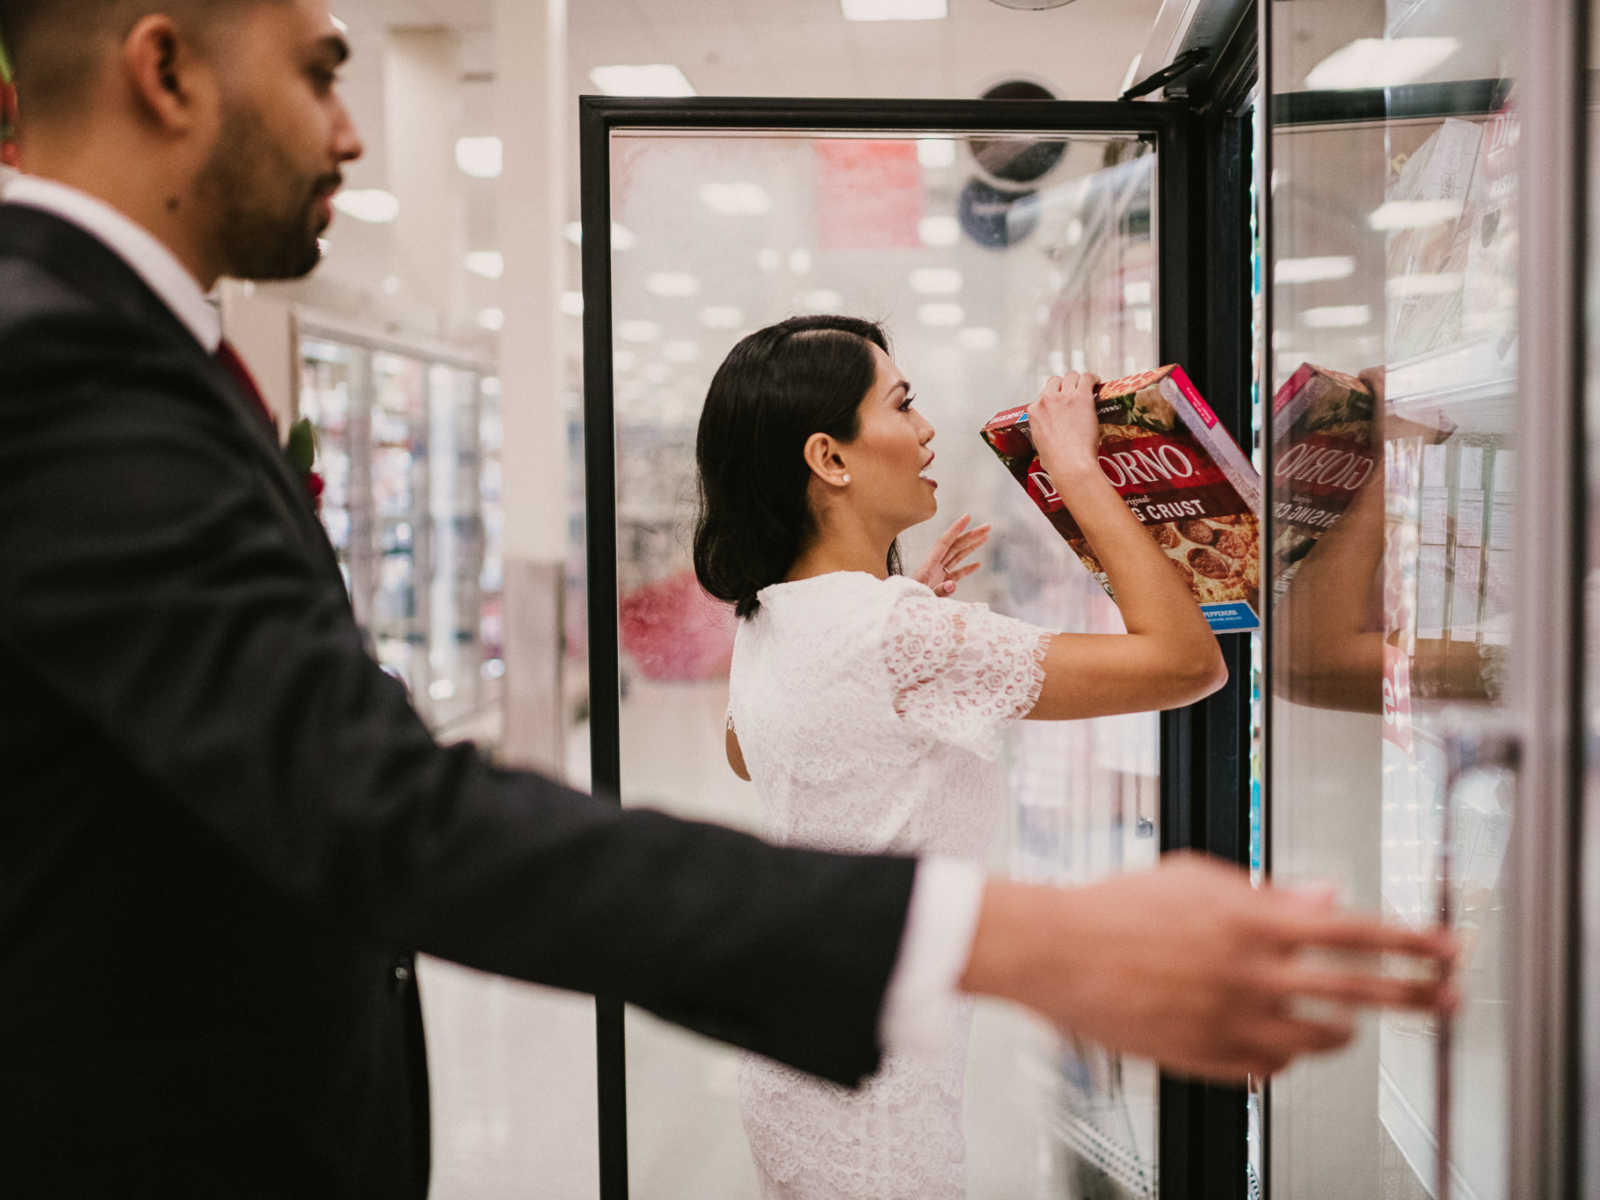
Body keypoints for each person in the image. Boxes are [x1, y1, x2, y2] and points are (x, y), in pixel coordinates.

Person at [0, 1, 1454, 1195]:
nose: (355, 122)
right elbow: (378, 806)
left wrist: (912, 611)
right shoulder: (53, 366)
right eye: (323, 65)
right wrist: (1028, 938)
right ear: (164, 66)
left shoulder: (788, 617)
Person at [693, 316, 1227, 1196]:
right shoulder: (894, 631)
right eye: (902, 403)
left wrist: (909, 629)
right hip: (876, 1104)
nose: (927, 427)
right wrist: (1076, 471)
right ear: (829, 459)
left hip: (792, 1058)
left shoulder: (774, 611)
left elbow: (751, 752)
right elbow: (1186, 662)